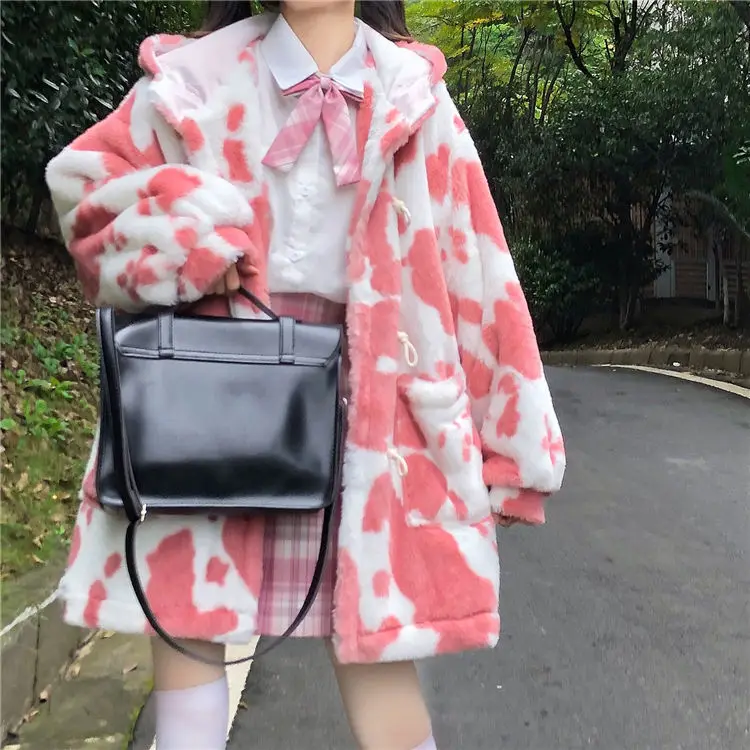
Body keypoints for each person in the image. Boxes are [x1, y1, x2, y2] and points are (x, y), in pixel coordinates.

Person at [45, 2, 566, 749]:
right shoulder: (195, 79)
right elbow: (86, 187)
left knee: (389, 708)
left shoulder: (414, 96)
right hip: (207, 408)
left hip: (372, 433)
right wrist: (188, 238)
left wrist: (513, 451)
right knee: (188, 714)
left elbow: (481, 273)